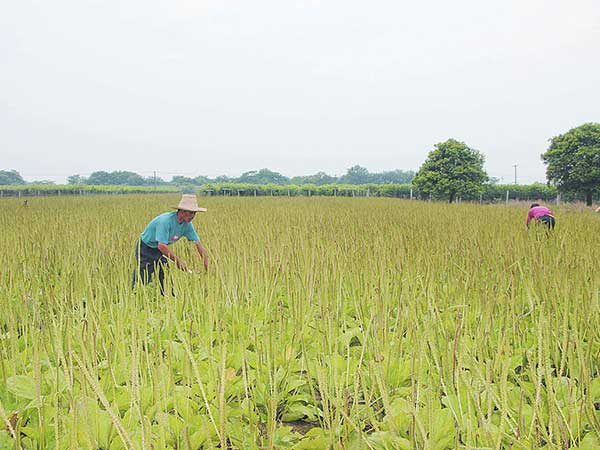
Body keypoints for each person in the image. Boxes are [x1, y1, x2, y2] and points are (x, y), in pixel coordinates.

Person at [132, 194, 209, 295]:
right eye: (190, 213)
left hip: (159, 249)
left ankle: (167, 297)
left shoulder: (187, 225)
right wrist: (178, 261)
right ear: (181, 211)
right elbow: (162, 245)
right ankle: (135, 295)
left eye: (194, 213)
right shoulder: (165, 221)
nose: (192, 216)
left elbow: (198, 244)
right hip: (146, 247)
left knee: (165, 273)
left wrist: (206, 265)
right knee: (144, 274)